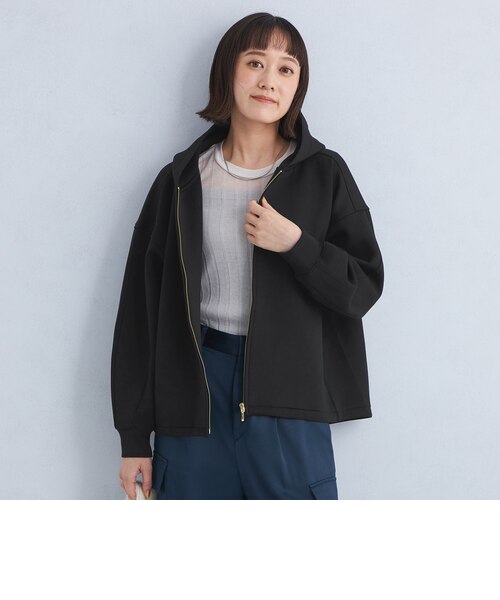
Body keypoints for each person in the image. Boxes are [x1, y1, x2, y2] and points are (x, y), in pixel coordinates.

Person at [111, 12, 384, 500]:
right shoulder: (180, 181)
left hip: (291, 400)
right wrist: (134, 438)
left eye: (286, 69)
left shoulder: (324, 174)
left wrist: (297, 245)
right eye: (255, 62)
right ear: (227, 71)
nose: (269, 80)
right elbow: (139, 313)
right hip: (195, 398)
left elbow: (362, 288)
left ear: (298, 86)